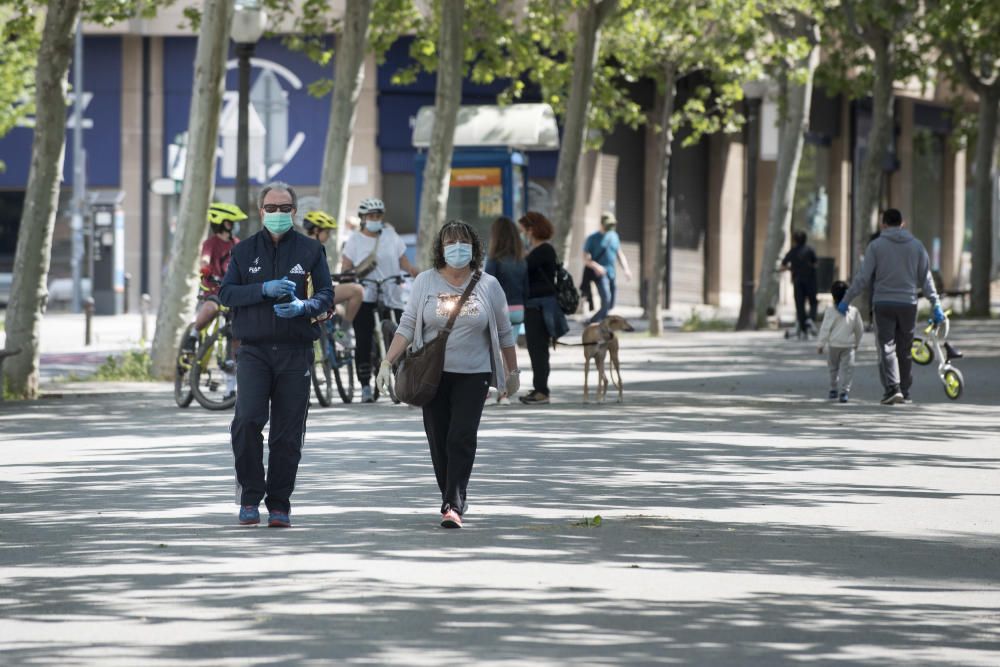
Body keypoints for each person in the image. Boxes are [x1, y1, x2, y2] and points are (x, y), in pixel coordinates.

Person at [379, 220, 519, 529]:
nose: (458, 248)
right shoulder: (426, 281)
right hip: (432, 375)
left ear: (474, 247)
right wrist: (387, 361)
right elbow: (407, 323)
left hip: (474, 373)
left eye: (463, 242)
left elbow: (506, 334)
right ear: (441, 249)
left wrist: (513, 372)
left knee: (461, 436)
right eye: (451, 242)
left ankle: (454, 502)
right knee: (439, 439)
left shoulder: (488, 285)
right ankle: (449, 494)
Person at [219, 182, 334, 528]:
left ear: (295, 212)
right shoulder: (243, 251)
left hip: (295, 350)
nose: (278, 214)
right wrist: (262, 290)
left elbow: (327, 295)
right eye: (272, 208)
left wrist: (304, 306)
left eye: (285, 209)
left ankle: (280, 503)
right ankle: (250, 497)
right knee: (248, 421)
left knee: (287, 433)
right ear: (261, 211)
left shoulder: (311, 250)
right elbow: (226, 293)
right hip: (253, 351)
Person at [840, 208, 945, 405]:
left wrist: (847, 299)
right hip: (908, 304)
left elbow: (863, 277)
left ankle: (892, 388)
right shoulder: (917, 246)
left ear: (883, 224)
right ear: (902, 223)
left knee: (886, 346)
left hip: (883, 303)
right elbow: (926, 279)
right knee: (905, 348)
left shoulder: (876, 246)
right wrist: (936, 305)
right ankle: (904, 391)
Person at [341, 197, 419, 402]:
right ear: (363, 218)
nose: (375, 219)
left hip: (392, 294)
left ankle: (402, 380)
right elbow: (346, 267)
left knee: (401, 337)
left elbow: (403, 260)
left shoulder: (391, 236)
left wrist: (412, 270)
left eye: (378, 216)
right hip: (365, 297)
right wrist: (349, 277)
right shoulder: (354, 241)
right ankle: (365, 385)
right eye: (371, 216)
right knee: (364, 340)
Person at [518, 211, 568, 405]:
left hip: (539, 307)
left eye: (523, 231)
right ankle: (539, 388)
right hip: (536, 305)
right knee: (535, 348)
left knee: (538, 349)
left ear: (531, 230)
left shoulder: (544, 250)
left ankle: (541, 391)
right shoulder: (541, 250)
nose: (523, 235)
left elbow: (524, 269)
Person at [183, 202, 246, 353]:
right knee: (211, 308)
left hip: (233, 291)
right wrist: (205, 269)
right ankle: (193, 335)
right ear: (225, 224)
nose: (235, 226)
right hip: (214, 288)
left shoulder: (236, 243)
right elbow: (205, 258)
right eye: (233, 222)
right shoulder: (211, 243)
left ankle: (234, 366)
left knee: (239, 325)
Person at [301, 210, 363, 348]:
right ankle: (342, 333)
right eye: (327, 232)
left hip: (314, 293)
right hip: (314, 294)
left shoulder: (311, 246)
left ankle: (338, 333)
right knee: (357, 291)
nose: (329, 236)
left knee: (340, 310)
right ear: (316, 230)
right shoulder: (310, 247)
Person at [484, 216, 528, 403]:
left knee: (491, 351)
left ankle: (489, 391)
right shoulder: (522, 260)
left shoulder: (494, 260)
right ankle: (505, 393)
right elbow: (526, 287)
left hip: (500, 309)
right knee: (507, 350)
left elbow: (486, 286)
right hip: (519, 310)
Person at [817, 280, 864, 403]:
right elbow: (859, 329)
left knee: (833, 368)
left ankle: (833, 389)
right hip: (848, 346)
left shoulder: (830, 311)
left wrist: (821, 344)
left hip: (833, 346)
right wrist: (857, 342)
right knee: (848, 369)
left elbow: (825, 329)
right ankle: (844, 392)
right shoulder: (854, 311)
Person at [582, 212, 632, 323]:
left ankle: (596, 322)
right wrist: (596, 266)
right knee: (606, 300)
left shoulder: (614, 236)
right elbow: (585, 258)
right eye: (608, 224)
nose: (610, 226)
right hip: (599, 275)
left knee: (611, 304)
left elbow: (620, 254)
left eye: (612, 224)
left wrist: (626, 269)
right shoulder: (592, 238)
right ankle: (592, 322)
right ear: (601, 224)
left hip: (611, 274)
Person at [781, 230, 819, 336]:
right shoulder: (810, 250)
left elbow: (783, 265)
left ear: (795, 240)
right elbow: (816, 263)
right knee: (813, 302)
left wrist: (792, 268)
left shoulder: (792, 251)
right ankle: (810, 320)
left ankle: (803, 327)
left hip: (797, 280)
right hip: (810, 280)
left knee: (800, 304)